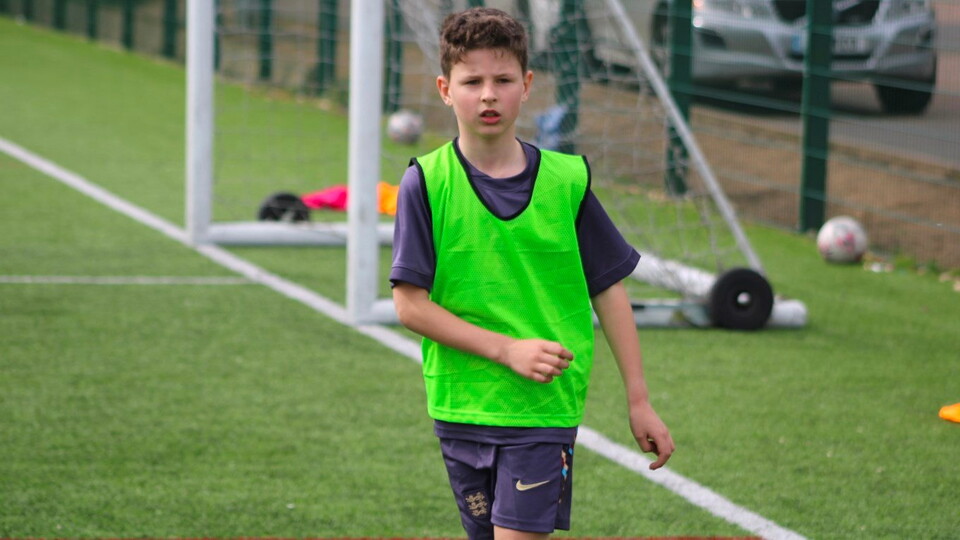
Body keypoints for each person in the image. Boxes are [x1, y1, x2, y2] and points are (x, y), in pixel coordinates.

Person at [390, 7, 674, 539]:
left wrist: (639, 400)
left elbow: (609, 290)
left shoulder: (566, 182)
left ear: (526, 85)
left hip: (543, 409)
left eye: (503, 81)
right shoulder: (426, 182)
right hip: (460, 406)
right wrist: (506, 349)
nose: (488, 95)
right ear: (445, 90)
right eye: (472, 82)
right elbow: (410, 305)